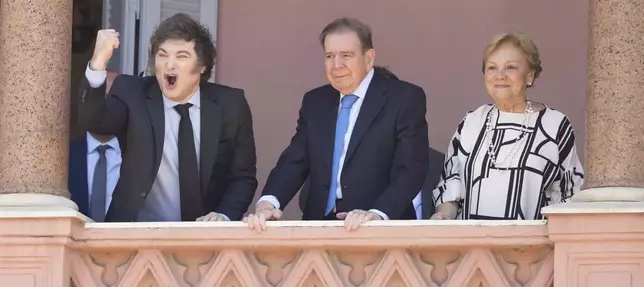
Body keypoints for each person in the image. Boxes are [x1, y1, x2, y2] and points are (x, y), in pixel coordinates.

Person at [245, 18, 429, 232]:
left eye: (346, 56)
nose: (337, 65)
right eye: (330, 56)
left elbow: (411, 169)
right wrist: (269, 202)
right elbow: (295, 160)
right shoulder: (315, 102)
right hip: (319, 228)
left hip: (380, 230)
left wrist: (377, 213)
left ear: (369, 58)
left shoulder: (404, 98)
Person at [77, 13, 258, 222]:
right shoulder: (132, 92)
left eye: (181, 56)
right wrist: (98, 62)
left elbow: (242, 177)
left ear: (202, 66)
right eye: (162, 55)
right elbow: (93, 121)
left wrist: (223, 216)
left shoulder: (231, 104)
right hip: (135, 237)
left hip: (205, 239)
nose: (169, 64)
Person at [431, 32, 584, 220]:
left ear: (530, 75)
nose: (500, 76)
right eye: (492, 68)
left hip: (530, 246)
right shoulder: (472, 121)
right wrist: (443, 215)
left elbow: (570, 195)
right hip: (472, 245)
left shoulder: (555, 125)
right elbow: (451, 182)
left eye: (510, 68)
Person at [69, 69, 122, 222]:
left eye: (114, 97)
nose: (106, 104)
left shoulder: (141, 157)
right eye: (99, 96)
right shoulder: (64, 158)